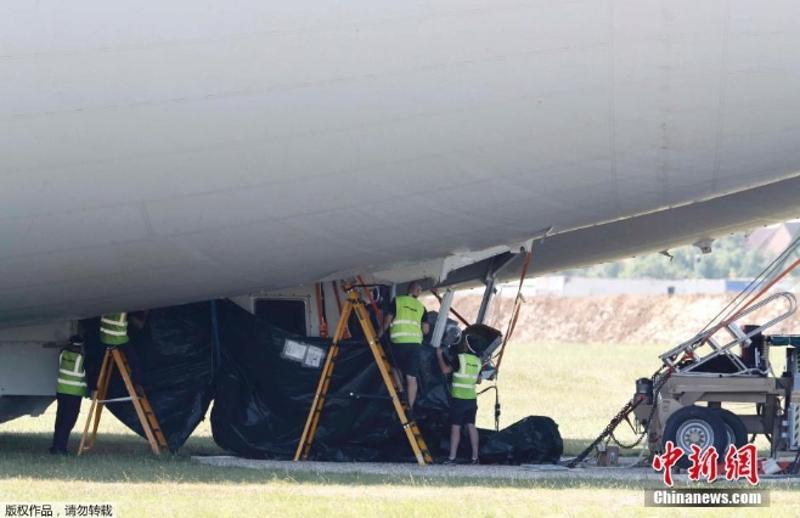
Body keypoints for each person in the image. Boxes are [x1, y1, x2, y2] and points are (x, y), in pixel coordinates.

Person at [379, 282, 430, 411]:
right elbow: (425, 330)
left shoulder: (398, 301)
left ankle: (401, 391)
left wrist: (378, 336)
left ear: (408, 289)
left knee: (395, 366)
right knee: (411, 377)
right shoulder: (421, 307)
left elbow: (387, 321)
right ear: (418, 292)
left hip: (399, 342)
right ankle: (410, 408)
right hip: (415, 345)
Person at [437, 335, 482, 464]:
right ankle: (475, 458)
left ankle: (452, 458)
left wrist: (439, 355)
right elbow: (479, 380)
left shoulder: (460, 358)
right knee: (471, 426)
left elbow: (445, 370)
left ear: (467, 346)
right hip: (471, 399)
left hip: (458, 398)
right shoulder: (478, 361)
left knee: (455, 427)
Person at [50, 336, 88, 454]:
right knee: (68, 422)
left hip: (61, 391)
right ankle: (61, 449)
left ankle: (55, 446)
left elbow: (64, 348)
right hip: (74, 394)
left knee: (60, 420)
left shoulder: (63, 354)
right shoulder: (81, 358)